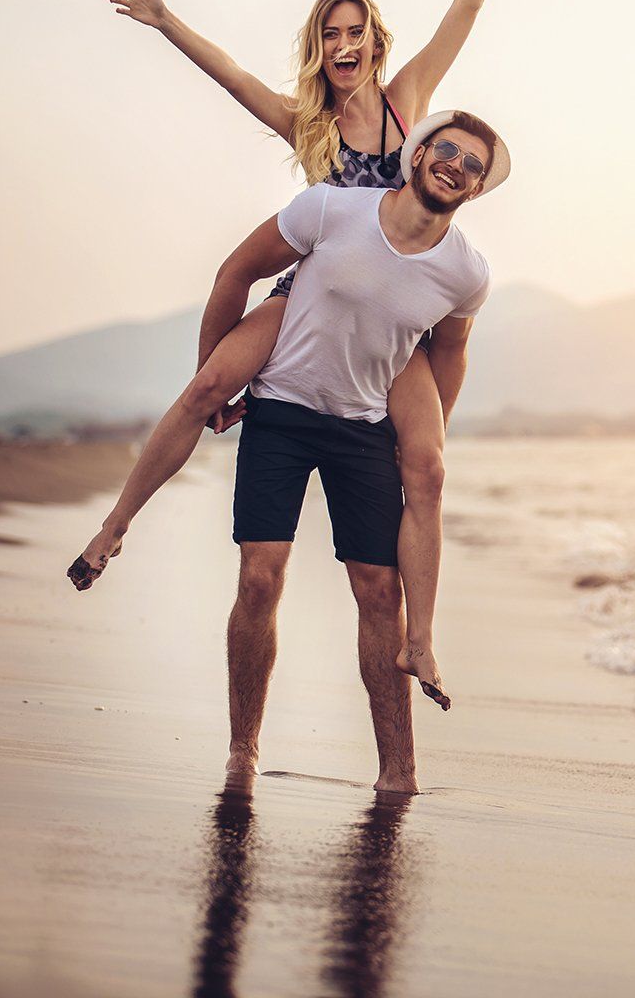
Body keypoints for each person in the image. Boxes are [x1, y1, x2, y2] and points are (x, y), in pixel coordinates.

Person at [67, 0, 537, 713]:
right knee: (209, 378)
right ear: (320, 50)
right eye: (332, 35)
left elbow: (467, 3)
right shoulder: (305, 123)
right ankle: (113, 528)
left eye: (357, 33)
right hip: (311, 302)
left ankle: (422, 641)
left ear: (377, 42)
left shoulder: (412, 100)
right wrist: (167, 21)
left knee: (428, 468)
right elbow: (233, 75)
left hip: (389, 328)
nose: (346, 46)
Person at [201, 111, 506, 791]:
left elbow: (449, 353)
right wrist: (212, 376)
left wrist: (426, 433)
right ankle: (242, 750)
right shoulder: (332, 209)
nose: (454, 164)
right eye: (445, 149)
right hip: (282, 407)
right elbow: (238, 271)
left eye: (471, 163)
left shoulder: (466, 274)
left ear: (477, 188)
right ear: (419, 152)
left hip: (365, 423)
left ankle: (399, 771)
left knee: (377, 591)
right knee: (259, 578)